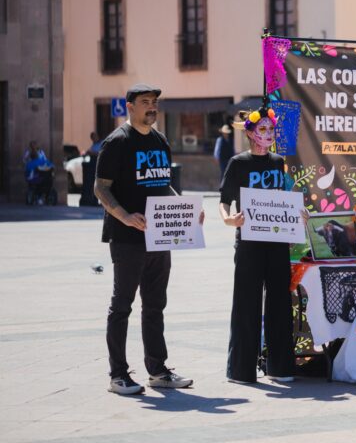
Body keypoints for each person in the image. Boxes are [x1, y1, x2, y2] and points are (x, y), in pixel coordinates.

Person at [95, 83, 202, 395]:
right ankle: (118, 375)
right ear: (130, 106)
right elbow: (101, 189)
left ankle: (157, 370)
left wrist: (184, 209)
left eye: (154, 102)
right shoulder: (117, 142)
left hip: (159, 236)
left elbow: (162, 185)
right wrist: (125, 216)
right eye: (145, 102)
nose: (152, 107)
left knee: (155, 305)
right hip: (126, 237)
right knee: (122, 306)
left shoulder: (160, 140)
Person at [219, 106, 295, 384]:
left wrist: (297, 211)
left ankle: (280, 367)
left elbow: (284, 195)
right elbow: (224, 199)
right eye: (262, 129)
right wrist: (229, 220)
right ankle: (241, 370)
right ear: (250, 133)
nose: (268, 134)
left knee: (279, 302)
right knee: (246, 304)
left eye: (271, 129)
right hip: (249, 242)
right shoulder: (238, 163)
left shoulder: (277, 161)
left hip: (276, 242)